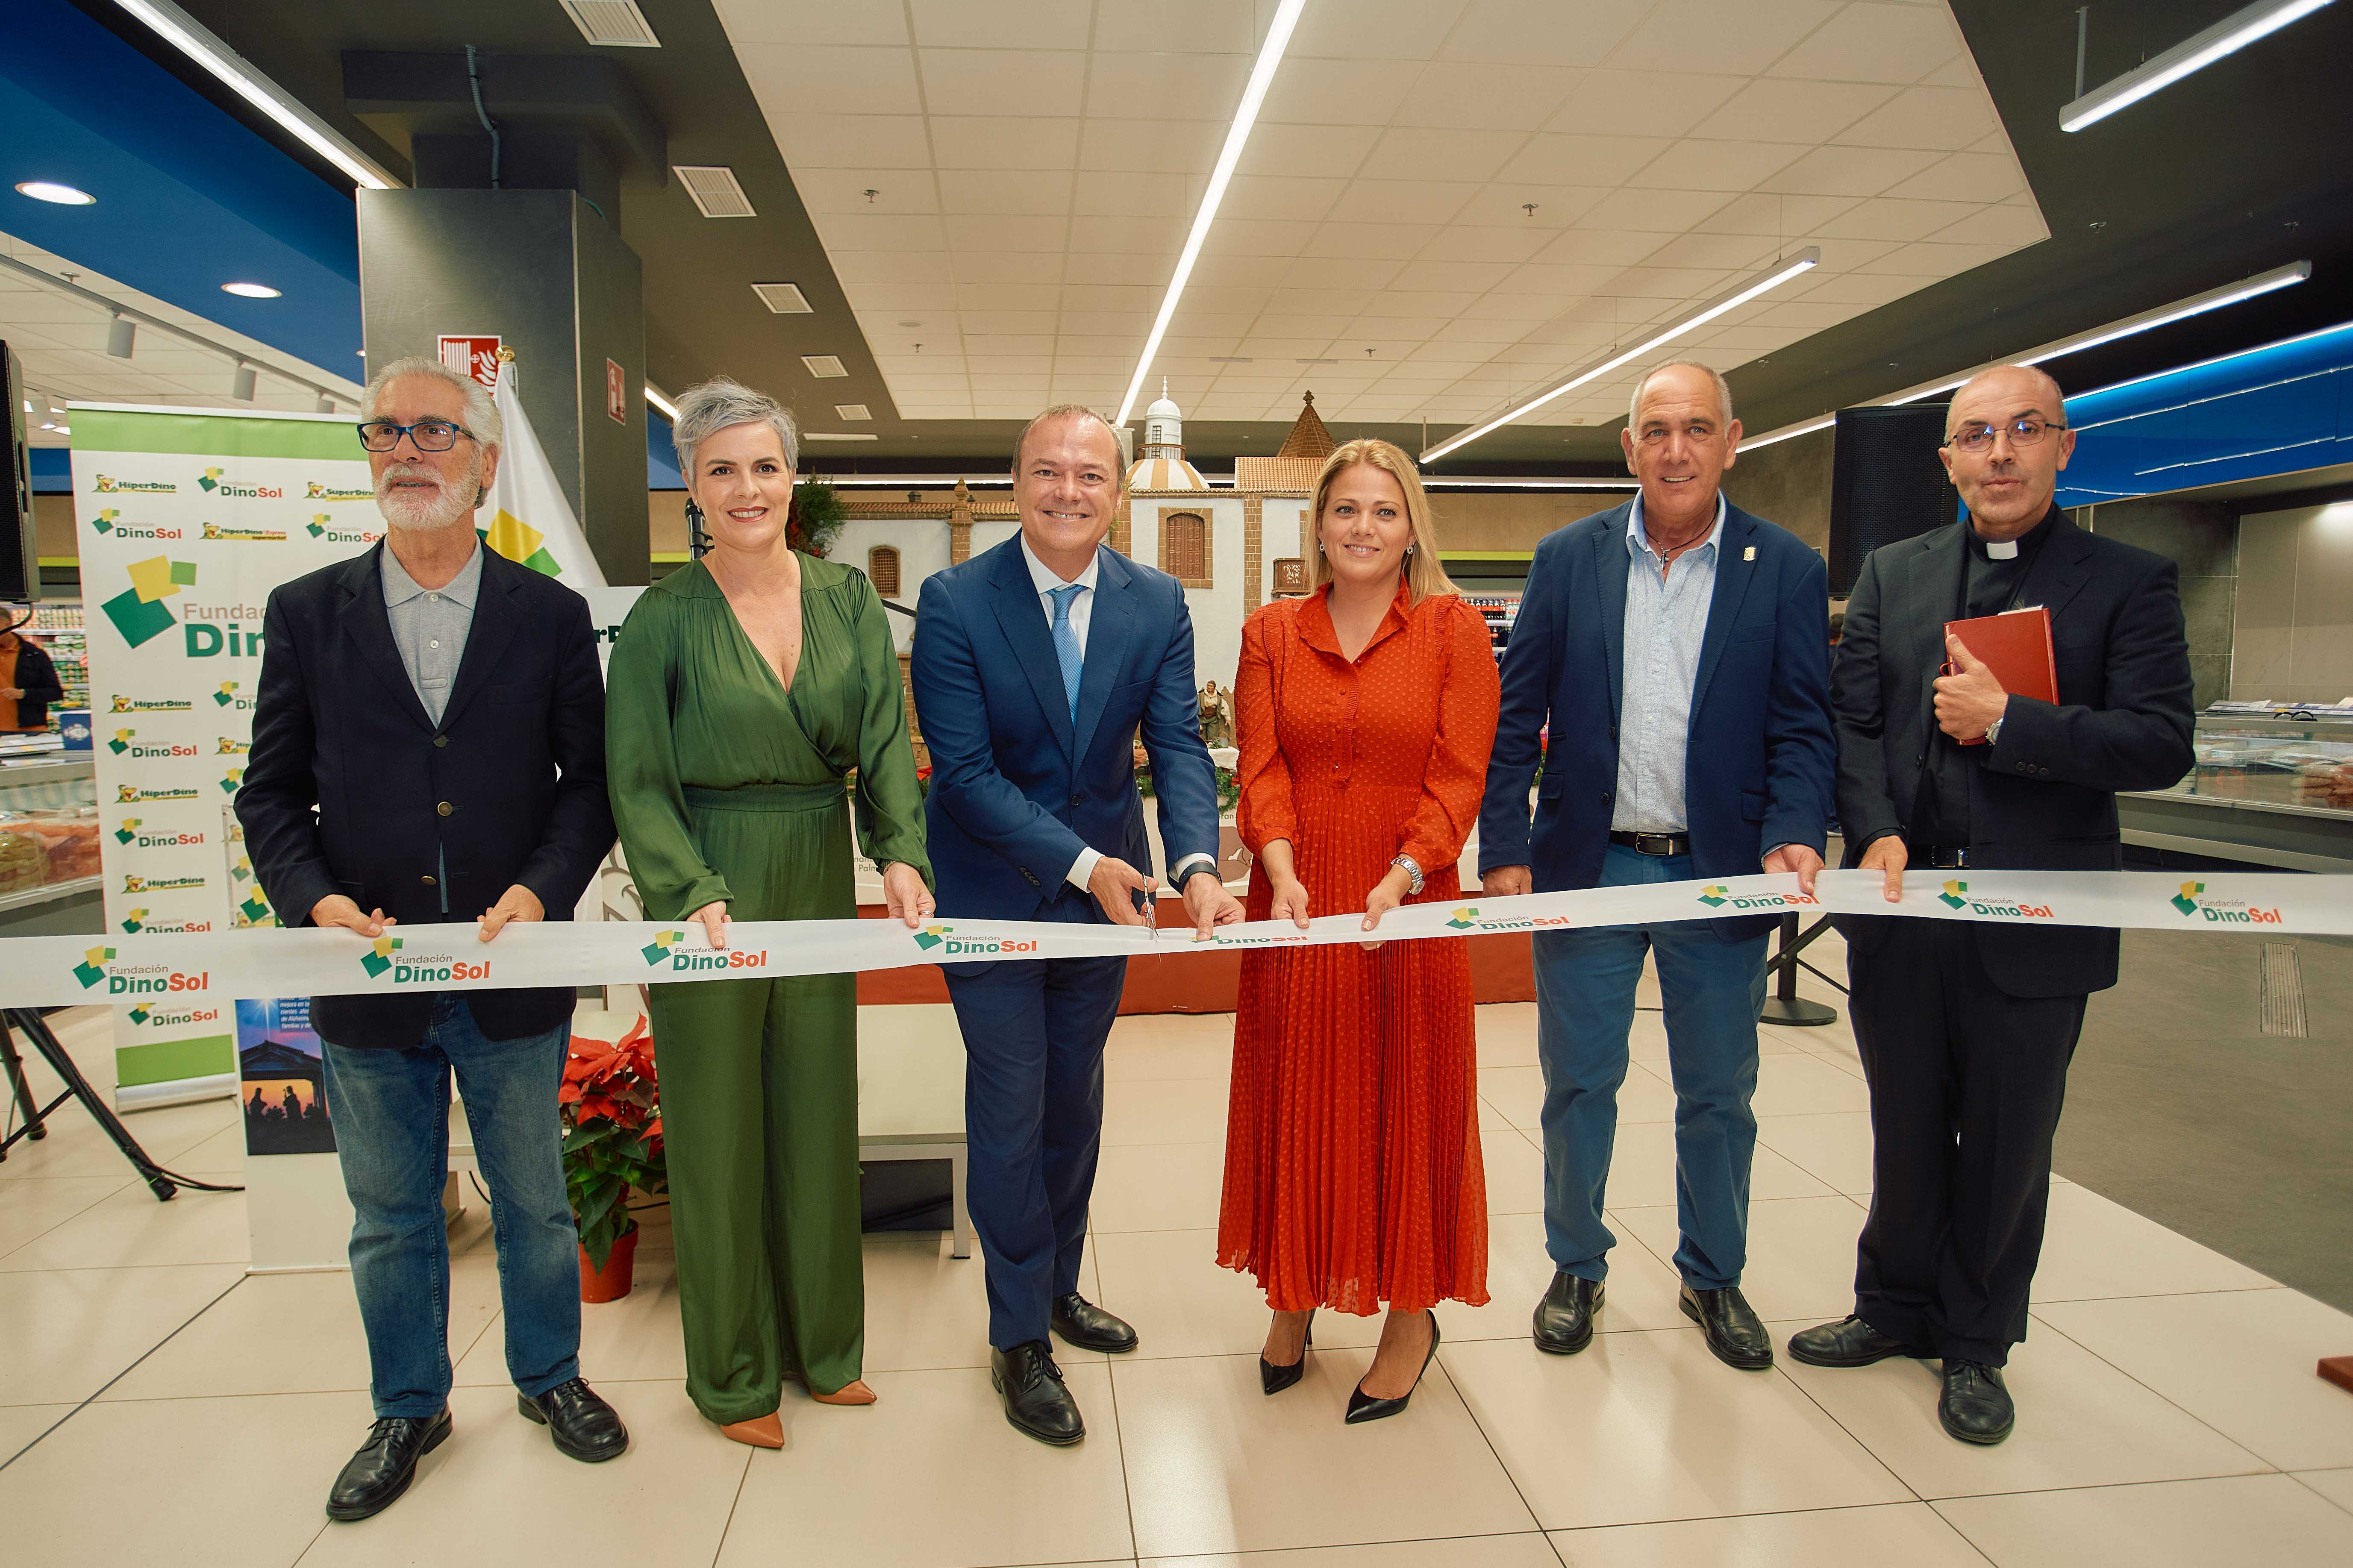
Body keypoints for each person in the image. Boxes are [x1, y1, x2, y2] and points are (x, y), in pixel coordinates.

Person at [239, 355, 626, 1523]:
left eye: (433, 432)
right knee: (392, 1212)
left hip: (512, 972)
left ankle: (551, 1377)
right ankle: (408, 1403)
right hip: (368, 981)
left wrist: (540, 891)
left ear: (484, 463)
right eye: (385, 433)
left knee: (535, 1201)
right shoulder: (307, 612)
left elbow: (590, 784)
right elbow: (268, 797)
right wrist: (317, 904)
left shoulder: (549, 616)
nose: (407, 451)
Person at [1790, 364, 2194, 1445]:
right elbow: (1856, 718)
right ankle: (1890, 1307)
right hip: (1903, 898)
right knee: (1905, 1121)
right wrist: (1869, 823)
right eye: (1977, 436)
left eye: (2023, 431)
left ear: (2062, 447)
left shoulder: (2128, 581)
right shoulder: (1893, 569)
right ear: (1947, 461)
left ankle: (1975, 1343)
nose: (1999, 454)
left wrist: (2013, 722)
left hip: (2037, 910)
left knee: (2009, 1135)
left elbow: (2160, 742)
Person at [1477, 360, 1835, 1372]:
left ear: (1731, 440)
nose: (1675, 448)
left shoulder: (1788, 568)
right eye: (1655, 430)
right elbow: (1516, 720)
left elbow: (1803, 726)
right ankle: (1575, 1264)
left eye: (1696, 428)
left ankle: (1711, 1274)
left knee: (1718, 1090)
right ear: (1628, 448)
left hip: (1719, 872)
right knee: (1578, 1082)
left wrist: (1797, 825)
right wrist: (1504, 847)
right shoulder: (1568, 559)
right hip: (1588, 868)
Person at [605, 378, 934, 1449]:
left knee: (813, 1108)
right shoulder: (661, 617)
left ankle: (825, 1348)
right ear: (692, 489)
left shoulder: (845, 600)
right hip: (705, 882)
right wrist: (685, 884)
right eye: (720, 470)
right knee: (715, 1129)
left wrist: (897, 854)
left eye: (764, 465)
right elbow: (636, 777)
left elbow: (882, 741)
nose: (746, 487)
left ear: (793, 477)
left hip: (812, 864)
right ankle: (735, 1375)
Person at [910, 404, 1243, 1446]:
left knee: (1074, 1101)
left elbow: (1179, 747)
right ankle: (1016, 1339)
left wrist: (1191, 860)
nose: (1067, 491)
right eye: (1047, 472)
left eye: (1089, 474)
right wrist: (1091, 862)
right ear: (1017, 484)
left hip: (1109, 903)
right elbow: (961, 775)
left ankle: (1054, 1286)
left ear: (1117, 491)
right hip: (997, 893)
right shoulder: (957, 600)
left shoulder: (1153, 603)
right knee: (1010, 1105)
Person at [1220, 438, 1500, 1422]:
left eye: (1384, 511)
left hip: (1405, 898)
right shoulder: (1269, 632)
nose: (1363, 529)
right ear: (1319, 523)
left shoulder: (1452, 630)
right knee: (1303, 1088)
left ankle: (1410, 1316)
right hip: (1296, 898)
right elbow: (1260, 767)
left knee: (1404, 1096)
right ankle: (1292, 1291)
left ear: (1411, 524)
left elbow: (1459, 773)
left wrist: (1407, 868)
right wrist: (1282, 866)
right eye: (1346, 510)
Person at [0, 614, 65, 733]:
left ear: (8, 625)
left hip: (31, 731)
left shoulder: (35, 655)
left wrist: (25, 694)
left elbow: (55, 693)